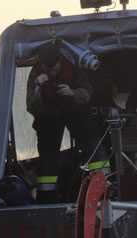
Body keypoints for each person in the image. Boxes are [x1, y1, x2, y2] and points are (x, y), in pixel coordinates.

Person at [27, 42, 110, 203]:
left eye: (54, 69)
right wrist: (38, 89)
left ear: (60, 61)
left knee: (92, 143)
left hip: (75, 109)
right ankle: (46, 196)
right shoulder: (35, 74)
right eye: (47, 70)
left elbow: (86, 92)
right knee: (48, 154)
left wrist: (72, 93)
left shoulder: (73, 66)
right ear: (41, 65)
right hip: (49, 114)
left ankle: (104, 188)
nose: (51, 72)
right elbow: (31, 106)